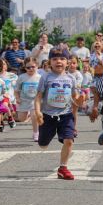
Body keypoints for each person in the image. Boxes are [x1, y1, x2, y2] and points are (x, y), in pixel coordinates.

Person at [34, 48, 84, 180]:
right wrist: (38, 112)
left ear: (67, 62)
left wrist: (80, 100)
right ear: (50, 62)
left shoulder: (71, 78)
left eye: (62, 59)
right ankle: (43, 138)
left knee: (69, 140)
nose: (59, 61)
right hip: (47, 116)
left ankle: (63, 168)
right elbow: (39, 96)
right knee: (43, 145)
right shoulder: (45, 77)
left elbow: (75, 96)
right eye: (55, 59)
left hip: (66, 115)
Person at [14, 57, 41, 141]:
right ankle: (29, 115)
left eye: (33, 66)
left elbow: (44, 90)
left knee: (34, 115)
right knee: (21, 119)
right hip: (24, 101)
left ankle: (36, 133)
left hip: (35, 101)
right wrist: (17, 98)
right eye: (28, 67)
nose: (30, 69)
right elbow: (16, 90)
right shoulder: (22, 77)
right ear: (25, 67)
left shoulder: (40, 77)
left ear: (37, 66)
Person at [0, 59, 18, 131]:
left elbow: (18, 88)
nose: (2, 66)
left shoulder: (13, 76)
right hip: (0, 98)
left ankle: (2, 121)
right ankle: (4, 121)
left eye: (4, 64)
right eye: (0, 64)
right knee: (2, 105)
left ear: (7, 66)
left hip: (12, 99)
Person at [68, 55, 83, 137]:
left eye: (74, 63)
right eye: (70, 63)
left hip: (75, 95)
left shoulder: (78, 74)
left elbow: (77, 85)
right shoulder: (64, 73)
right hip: (65, 95)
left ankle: (73, 128)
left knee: (74, 113)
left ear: (77, 64)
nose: (72, 65)